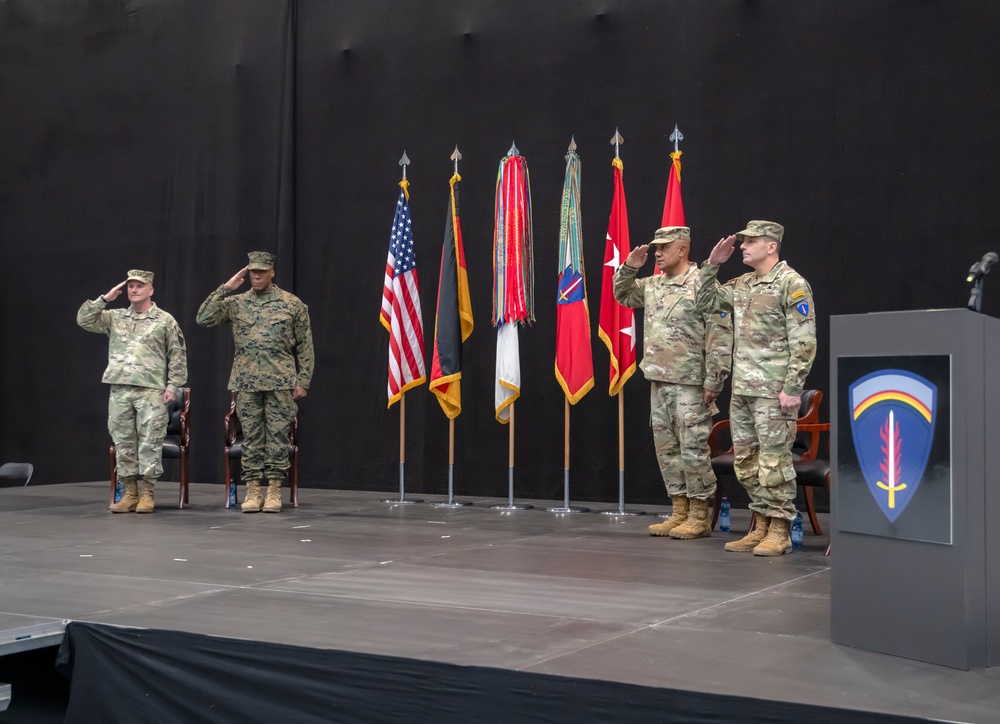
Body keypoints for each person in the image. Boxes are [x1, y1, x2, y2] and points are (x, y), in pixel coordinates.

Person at [699, 220, 817, 556]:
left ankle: (779, 530)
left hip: (773, 390)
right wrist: (713, 264)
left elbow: (804, 340)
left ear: (771, 245)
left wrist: (793, 387)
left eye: (751, 241)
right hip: (743, 390)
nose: (743, 246)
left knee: (775, 461)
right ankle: (761, 524)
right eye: (743, 241)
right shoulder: (742, 283)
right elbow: (704, 302)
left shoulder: (791, 284)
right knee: (746, 461)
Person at [614, 226, 732, 540]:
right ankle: (678, 509)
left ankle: (699, 514)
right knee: (667, 451)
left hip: (691, 383)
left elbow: (719, 336)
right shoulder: (652, 285)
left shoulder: (702, 284)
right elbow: (622, 295)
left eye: (664, 248)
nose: (657, 253)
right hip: (659, 380)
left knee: (693, 450)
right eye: (655, 249)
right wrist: (629, 268)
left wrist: (714, 380)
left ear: (682, 249)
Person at [197, 252, 314, 513]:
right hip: (247, 382)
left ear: (272, 272)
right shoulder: (236, 303)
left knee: (277, 437)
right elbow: (203, 318)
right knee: (250, 437)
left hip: (280, 382)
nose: (257, 276)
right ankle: (252, 489)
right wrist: (226, 288)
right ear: (247, 273)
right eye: (253, 272)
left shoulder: (292, 304)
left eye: (262, 271)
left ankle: (273, 490)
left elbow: (305, 346)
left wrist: (303, 380)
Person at [77, 270, 188, 513]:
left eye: (140, 286)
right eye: (131, 286)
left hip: (151, 390)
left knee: (150, 441)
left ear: (151, 290)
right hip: (120, 389)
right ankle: (129, 492)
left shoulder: (164, 320)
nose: (134, 290)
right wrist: (104, 299)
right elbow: (84, 320)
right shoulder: (115, 317)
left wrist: (172, 386)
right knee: (123, 440)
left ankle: (147, 493)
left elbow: (177, 354)